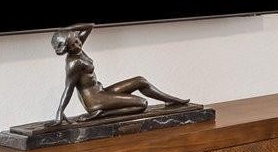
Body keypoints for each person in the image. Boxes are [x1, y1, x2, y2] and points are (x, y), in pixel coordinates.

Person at [52, 24, 189, 123]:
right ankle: (102, 113)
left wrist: (67, 30)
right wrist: (60, 112)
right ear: (66, 49)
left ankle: (171, 100)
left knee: (140, 80)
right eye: (72, 45)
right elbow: (68, 89)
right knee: (142, 104)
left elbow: (90, 26)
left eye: (77, 40)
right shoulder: (73, 63)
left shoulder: (78, 45)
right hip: (94, 100)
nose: (77, 45)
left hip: (102, 92)